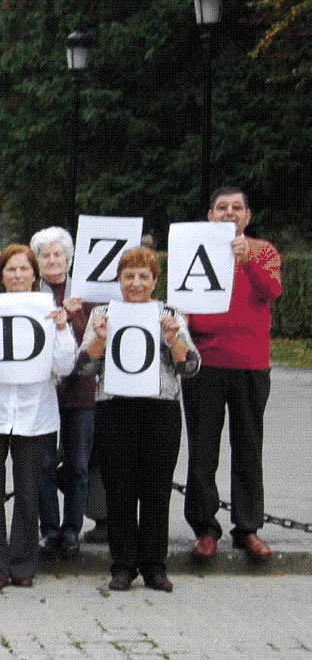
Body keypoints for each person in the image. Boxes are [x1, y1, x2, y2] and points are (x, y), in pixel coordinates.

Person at [76, 246, 199, 592]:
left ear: (155, 281)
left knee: (157, 488)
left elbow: (190, 366)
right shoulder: (104, 313)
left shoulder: (169, 313)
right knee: (119, 488)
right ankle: (122, 566)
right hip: (115, 409)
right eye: (128, 275)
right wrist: (99, 338)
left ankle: (155, 566)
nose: (135, 282)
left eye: (143, 276)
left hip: (160, 409)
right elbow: (84, 366)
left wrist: (174, 339)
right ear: (119, 280)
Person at [0, 245, 76, 590]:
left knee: (29, 493)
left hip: (35, 413)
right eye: (10, 270)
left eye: (24, 269)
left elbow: (64, 366)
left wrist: (63, 329)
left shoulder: (49, 312)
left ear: (35, 276)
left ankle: (24, 562)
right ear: (1, 276)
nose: (18, 276)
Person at [185, 186, 281, 560]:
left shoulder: (264, 251)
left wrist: (247, 261)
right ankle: (204, 528)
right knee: (202, 449)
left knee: (248, 447)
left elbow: (271, 289)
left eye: (236, 208)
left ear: (247, 216)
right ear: (210, 215)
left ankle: (247, 527)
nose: (229, 213)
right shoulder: (193, 250)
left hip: (250, 363)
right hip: (205, 364)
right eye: (221, 207)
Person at [29, 226, 92, 558]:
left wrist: (72, 314)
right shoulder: (29, 292)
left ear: (68, 259)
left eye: (58, 254)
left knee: (78, 464)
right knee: (44, 463)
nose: (52, 260)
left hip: (80, 392)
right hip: (42, 391)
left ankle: (72, 529)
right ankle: (49, 530)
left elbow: (93, 341)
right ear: (37, 260)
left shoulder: (84, 294)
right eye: (45, 254)